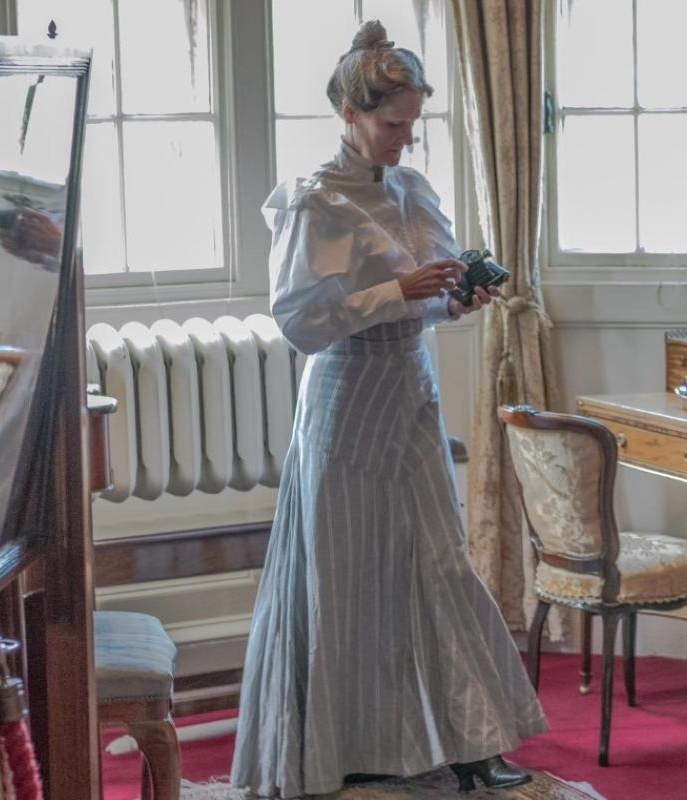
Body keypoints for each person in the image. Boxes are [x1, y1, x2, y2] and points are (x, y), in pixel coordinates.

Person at [231, 20, 547, 798]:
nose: (403, 139)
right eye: (391, 124)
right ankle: (351, 748)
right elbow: (301, 323)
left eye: (411, 124)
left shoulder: (411, 190)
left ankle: (474, 739)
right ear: (351, 113)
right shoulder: (315, 204)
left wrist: (455, 301)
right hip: (344, 401)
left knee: (441, 561)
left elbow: (426, 305)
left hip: (410, 387)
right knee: (348, 575)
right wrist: (392, 291)